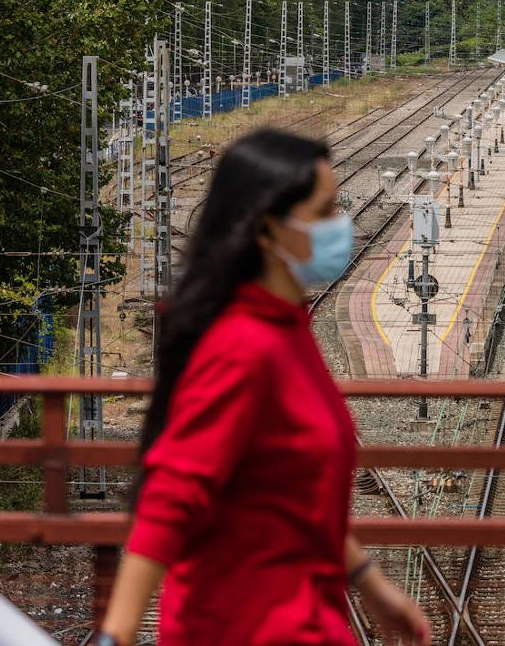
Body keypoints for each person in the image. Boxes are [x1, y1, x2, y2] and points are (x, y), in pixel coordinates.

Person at [94, 130, 430, 646]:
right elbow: (171, 495)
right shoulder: (241, 346)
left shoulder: (288, 327)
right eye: (326, 210)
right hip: (246, 625)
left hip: (303, 619)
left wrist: (373, 585)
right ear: (270, 229)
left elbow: (295, 494)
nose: (343, 224)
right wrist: (115, 635)